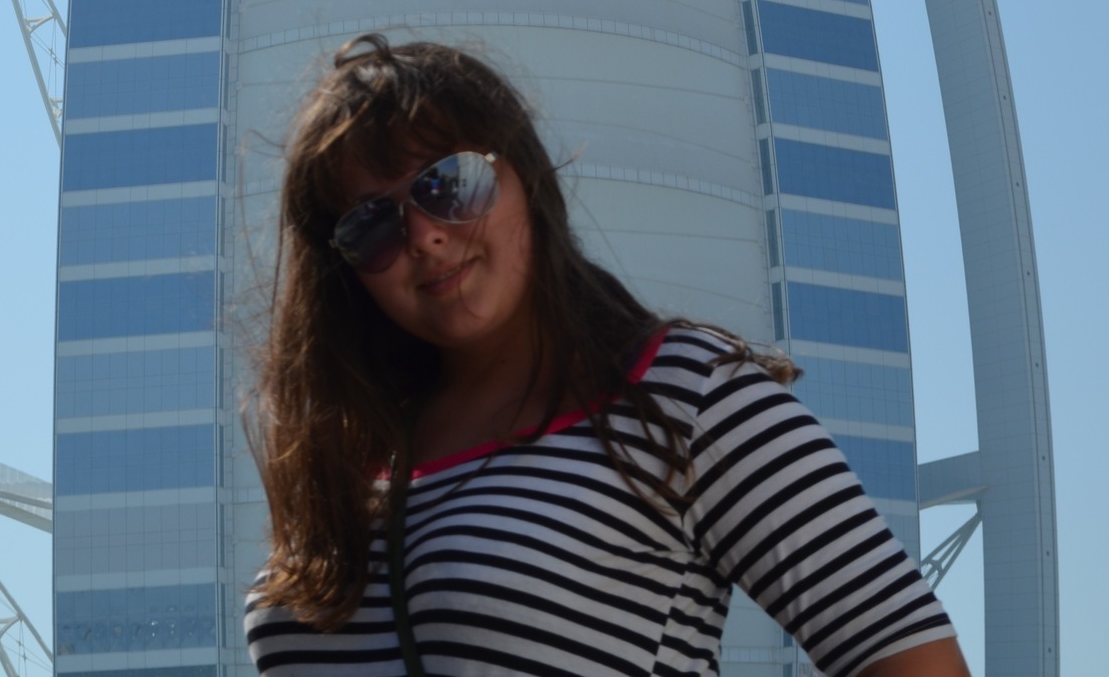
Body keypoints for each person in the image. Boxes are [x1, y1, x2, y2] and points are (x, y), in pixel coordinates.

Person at [243, 35, 968, 677]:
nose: (424, 235)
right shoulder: (346, 457)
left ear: (527, 180)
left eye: (451, 184)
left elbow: (910, 657)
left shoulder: (686, 395)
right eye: (372, 224)